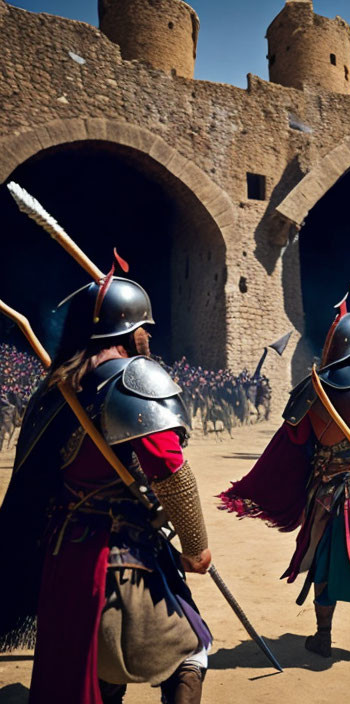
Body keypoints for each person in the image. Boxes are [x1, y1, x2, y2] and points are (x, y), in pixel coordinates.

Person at [0, 276, 212, 703]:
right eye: (143, 327)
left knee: (90, 668)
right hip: (117, 555)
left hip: (62, 559)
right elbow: (171, 472)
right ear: (128, 330)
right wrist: (196, 547)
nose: (148, 335)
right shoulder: (132, 379)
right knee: (192, 650)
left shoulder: (59, 387)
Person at [219, 298, 350, 662]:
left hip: (325, 493)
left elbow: (290, 443)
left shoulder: (313, 388)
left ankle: (322, 638)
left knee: (324, 560)